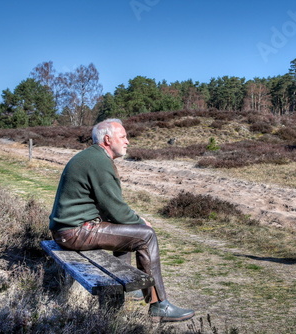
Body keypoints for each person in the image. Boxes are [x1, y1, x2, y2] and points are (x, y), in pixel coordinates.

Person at [49, 118, 195, 322]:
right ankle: (159, 305)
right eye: (123, 136)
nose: (127, 141)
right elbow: (115, 208)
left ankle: (128, 281)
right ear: (108, 139)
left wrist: (134, 220)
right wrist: (141, 222)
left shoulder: (92, 157)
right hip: (74, 232)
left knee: (127, 229)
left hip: (67, 230)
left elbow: (111, 210)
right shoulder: (99, 162)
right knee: (146, 236)